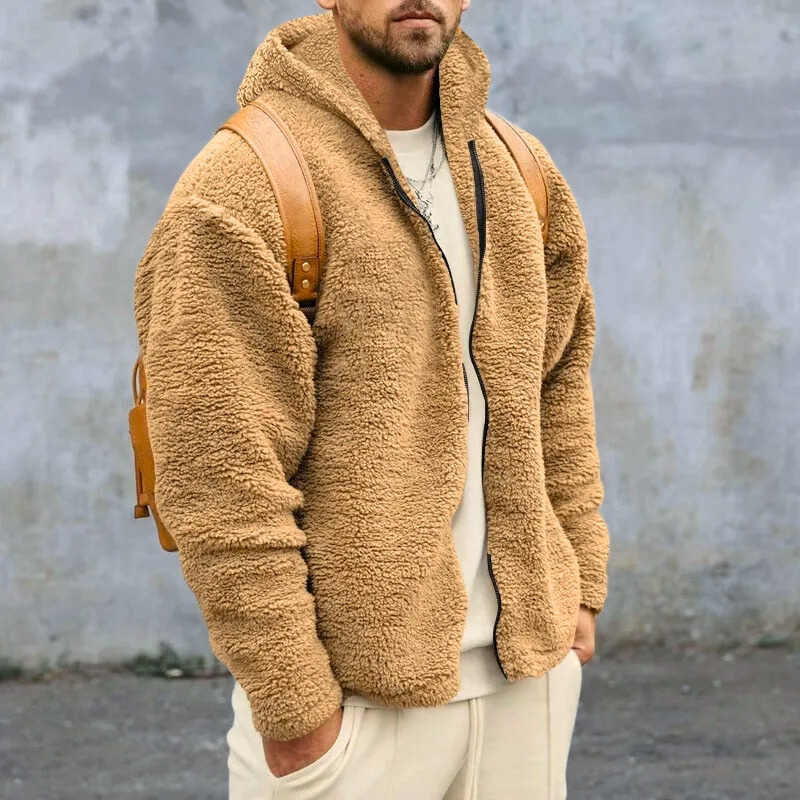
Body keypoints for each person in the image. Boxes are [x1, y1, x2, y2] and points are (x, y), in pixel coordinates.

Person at [132, 2, 610, 798]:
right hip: (355, 708)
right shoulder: (249, 178)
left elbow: (558, 386)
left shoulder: (518, 167)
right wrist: (293, 701)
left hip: (528, 683)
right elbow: (217, 468)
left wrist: (580, 586)